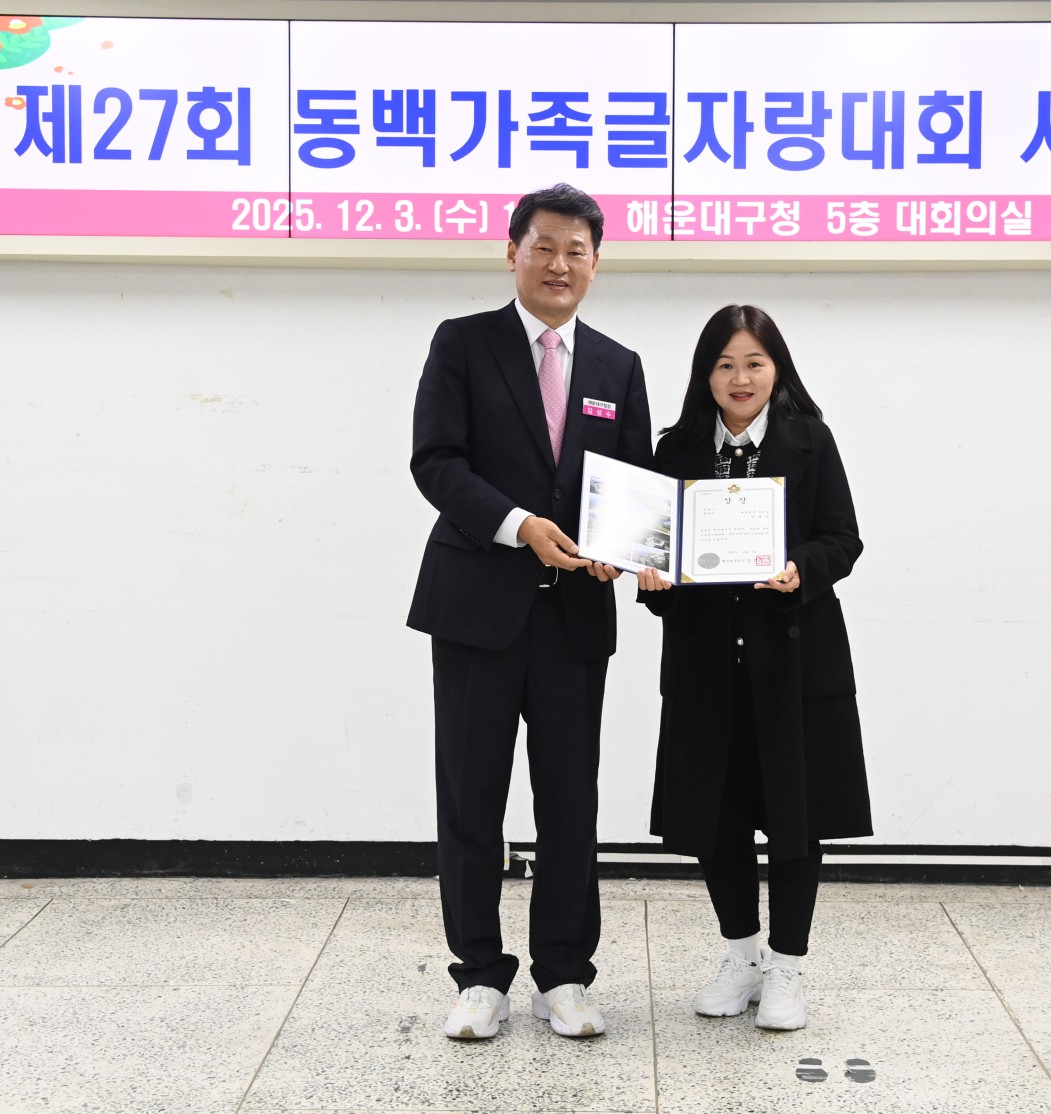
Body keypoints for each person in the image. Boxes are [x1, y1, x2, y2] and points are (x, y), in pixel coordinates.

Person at [409, 184, 653, 1041]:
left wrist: (630, 549)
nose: (559, 264)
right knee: (471, 800)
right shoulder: (463, 343)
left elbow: (635, 485)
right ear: (511, 251)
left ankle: (565, 974)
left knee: (570, 804)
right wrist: (519, 526)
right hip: (477, 608)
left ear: (596, 262)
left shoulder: (618, 366)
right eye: (543, 246)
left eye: (575, 250)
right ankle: (479, 975)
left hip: (574, 618)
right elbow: (436, 462)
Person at [636, 304, 871, 1031]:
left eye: (754, 363)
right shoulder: (676, 449)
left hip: (794, 661)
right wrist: (653, 579)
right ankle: (740, 955)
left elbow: (843, 539)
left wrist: (801, 569)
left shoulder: (810, 440)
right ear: (705, 374)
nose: (740, 378)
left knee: (796, 816)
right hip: (706, 663)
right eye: (725, 364)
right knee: (717, 815)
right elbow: (655, 556)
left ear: (777, 369)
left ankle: (787, 966)